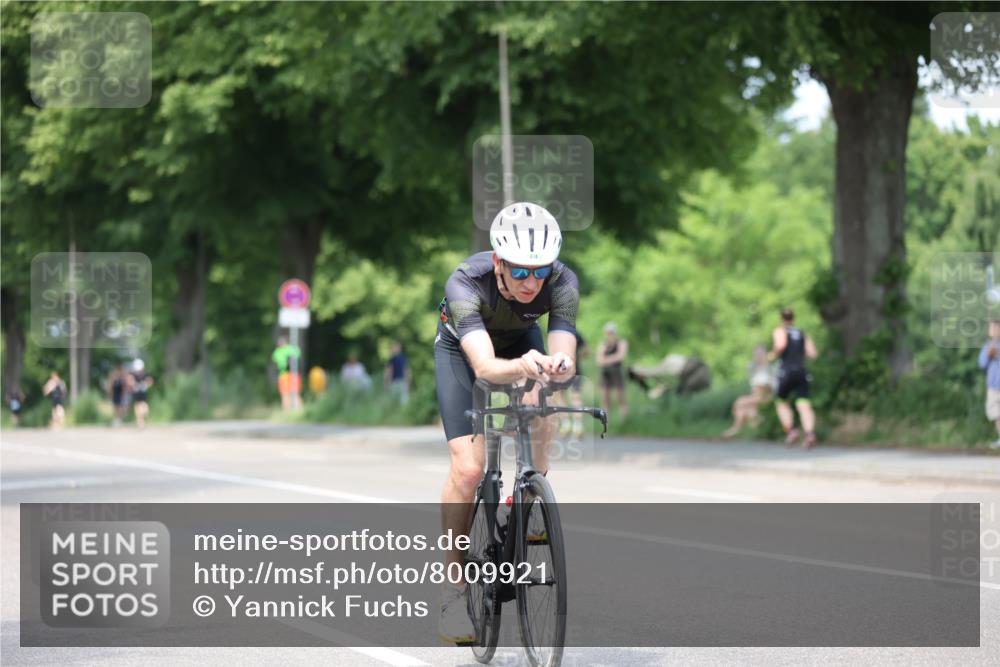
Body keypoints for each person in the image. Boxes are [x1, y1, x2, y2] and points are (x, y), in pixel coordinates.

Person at [434, 202, 578, 644]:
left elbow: (565, 355)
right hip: (464, 352)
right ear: (498, 262)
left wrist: (558, 366)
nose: (531, 282)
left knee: (544, 400)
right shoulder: (465, 283)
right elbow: (484, 368)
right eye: (519, 271)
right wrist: (523, 366)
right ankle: (454, 590)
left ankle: (528, 492)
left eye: (540, 271)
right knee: (468, 469)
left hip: (521, 341)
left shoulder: (563, 282)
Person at [769, 307, 818, 448]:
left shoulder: (780, 331)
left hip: (786, 371)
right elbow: (812, 353)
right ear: (793, 318)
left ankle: (791, 430)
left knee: (781, 401)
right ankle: (809, 434)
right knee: (804, 403)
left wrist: (771, 356)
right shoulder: (802, 333)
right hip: (802, 371)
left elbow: (780, 346)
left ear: (781, 318)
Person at [722, 345, 775, 438]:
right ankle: (751, 427)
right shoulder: (753, 368)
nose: (758, 356)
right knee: (744, 409)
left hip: (764, 396)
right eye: (756, 354)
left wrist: (762, 387)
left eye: (760, 354)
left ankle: (738, 428)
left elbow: (771, 388)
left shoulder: (770, 368)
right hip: (755, 397)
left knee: (739, 402)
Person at [596, 322, 628, 419]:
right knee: (605, 397)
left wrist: (606, 359)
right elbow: (599, 360)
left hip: (616, 371)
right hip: (606, 372)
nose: (610, 334)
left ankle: (624, 417)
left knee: (620, 395)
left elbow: (620, 356)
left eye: (611, 332)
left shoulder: (621, 342)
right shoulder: (603, 344)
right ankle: (605, 418)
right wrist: (612, 358)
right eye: (608, 332)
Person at [978, 318, 1000, 449]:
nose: (995, 331)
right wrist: (989, 355)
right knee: (996, 414)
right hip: (993, 386)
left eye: (997, 328)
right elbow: (982, 364)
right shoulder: (987, 346)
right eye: (992, 328)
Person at [272, 335, 302, 410]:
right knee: (290, 393)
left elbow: (277, 363)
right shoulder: (281, 351)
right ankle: (295, 410)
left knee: (289, 394)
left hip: (289, 374)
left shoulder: (278, 351)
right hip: (288, 374)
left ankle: (292, 410)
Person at [383, 341, 410, 405]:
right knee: (395, 401)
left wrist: (408, 381)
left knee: (403, 400)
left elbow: (406, 370)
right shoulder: (391, 360)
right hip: (394, 382)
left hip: (402, 381)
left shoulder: (403, 358)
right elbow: (388, 372)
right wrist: (387, 383)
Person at [129, 359, 154, 428]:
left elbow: (151, 381)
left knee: (144, 408)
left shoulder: (145, 375)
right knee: (137, 407)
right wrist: (133, 384)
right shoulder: (133, 375)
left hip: (143, 393)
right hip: (136, 393)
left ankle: (141, 420)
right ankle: (140, 422)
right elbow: (129, 381)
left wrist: (146, 385)